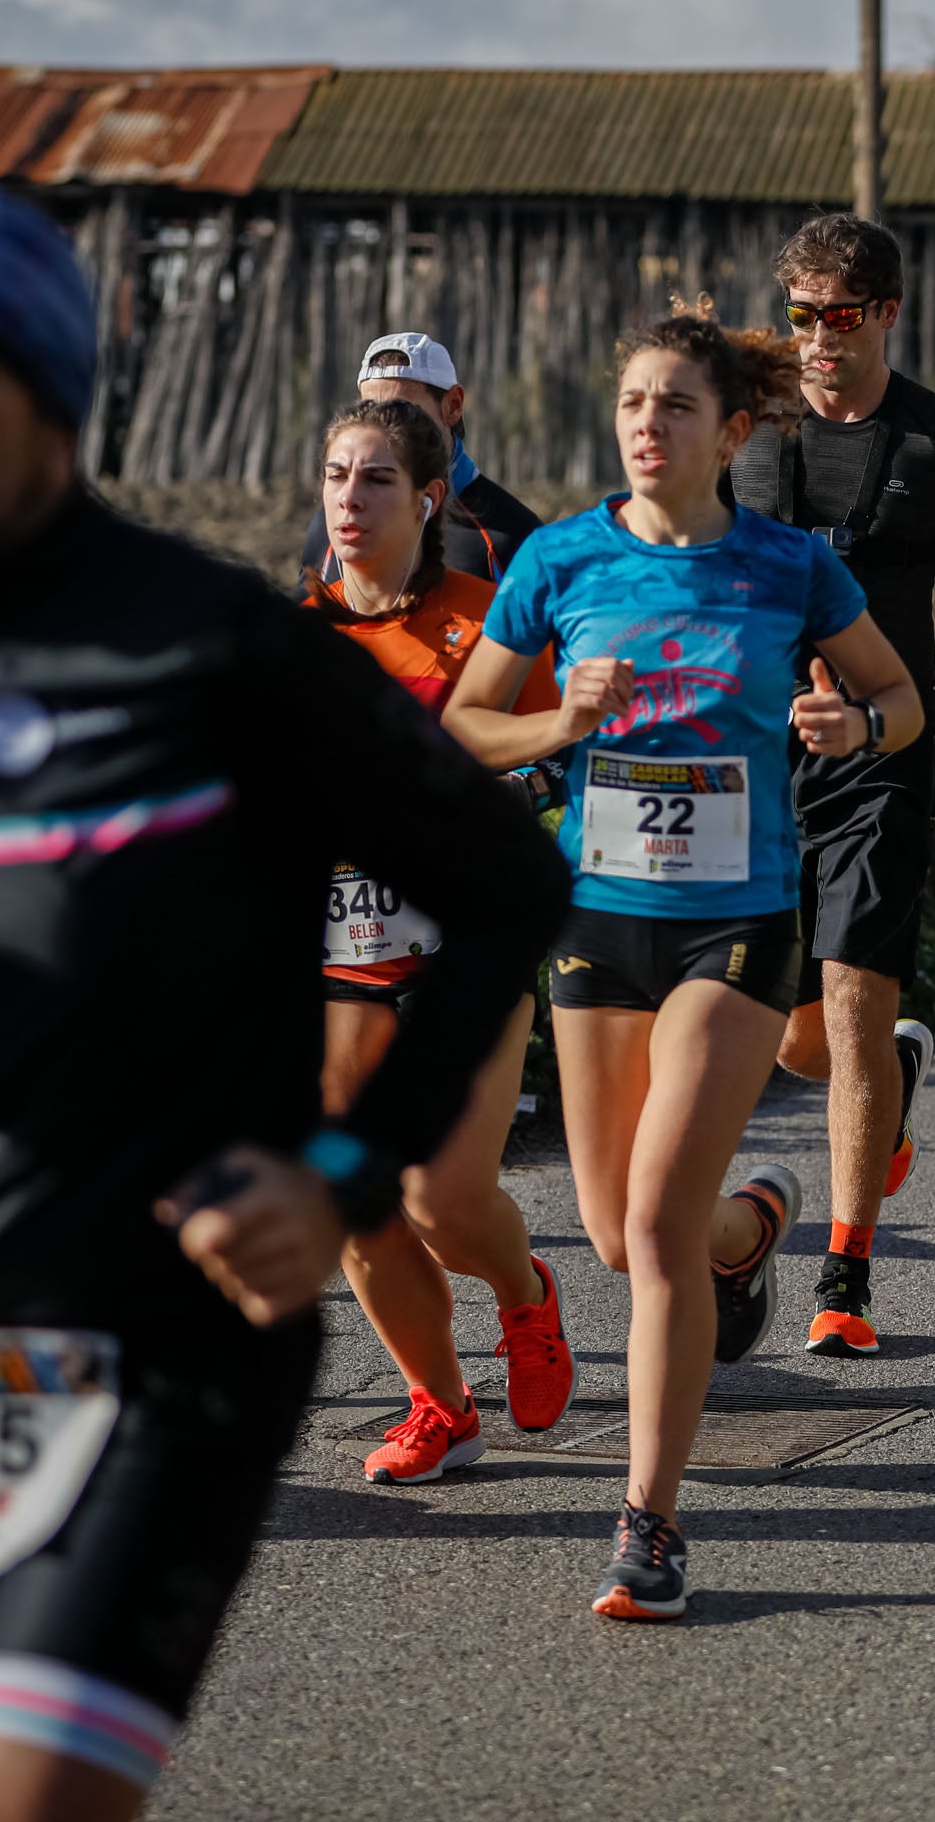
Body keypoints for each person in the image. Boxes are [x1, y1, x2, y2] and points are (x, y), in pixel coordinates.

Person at [0, 182, 562, 1821]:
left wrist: (343, 1176)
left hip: (167, 1332)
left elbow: (506, 889)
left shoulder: (207, 650)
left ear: (52, 394)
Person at [445, 311, 923, 1616]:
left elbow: (903, 702)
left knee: (649, 1226)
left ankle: (649, 1522)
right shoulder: (561, 558)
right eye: (633, 405)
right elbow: (466, 725)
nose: (648, 426)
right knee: (614, 1232)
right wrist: (560, 719)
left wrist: (846, 720)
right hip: (600, 916)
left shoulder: (787, 569)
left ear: (733, 432)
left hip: (739, 919)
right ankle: (754, 1222)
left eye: (675, 407)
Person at [729, 214, 935, 1358]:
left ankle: (845, 1273)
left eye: (838, 318)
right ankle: (894, 1073)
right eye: (799, 316)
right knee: (789, 1037)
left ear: (887, 312)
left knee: (848, 1011)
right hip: (753, 759)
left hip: (883, 754)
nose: (815, 339)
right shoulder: (748, 428)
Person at [302, 398, 575, 1485]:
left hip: (468, 945)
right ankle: (441, 1403)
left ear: (426, 499)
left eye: (374, 479)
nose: (349, 498)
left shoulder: (488, 620)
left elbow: (565, 757)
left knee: (444, 1203)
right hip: (339, 951)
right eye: (334, 475)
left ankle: (525, 1294)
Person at [298, 333, 540, 587]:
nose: (383, 431)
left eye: (405, 413)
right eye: (369, 412)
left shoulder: (512, 537)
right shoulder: (338, 522)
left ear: (453, 406)